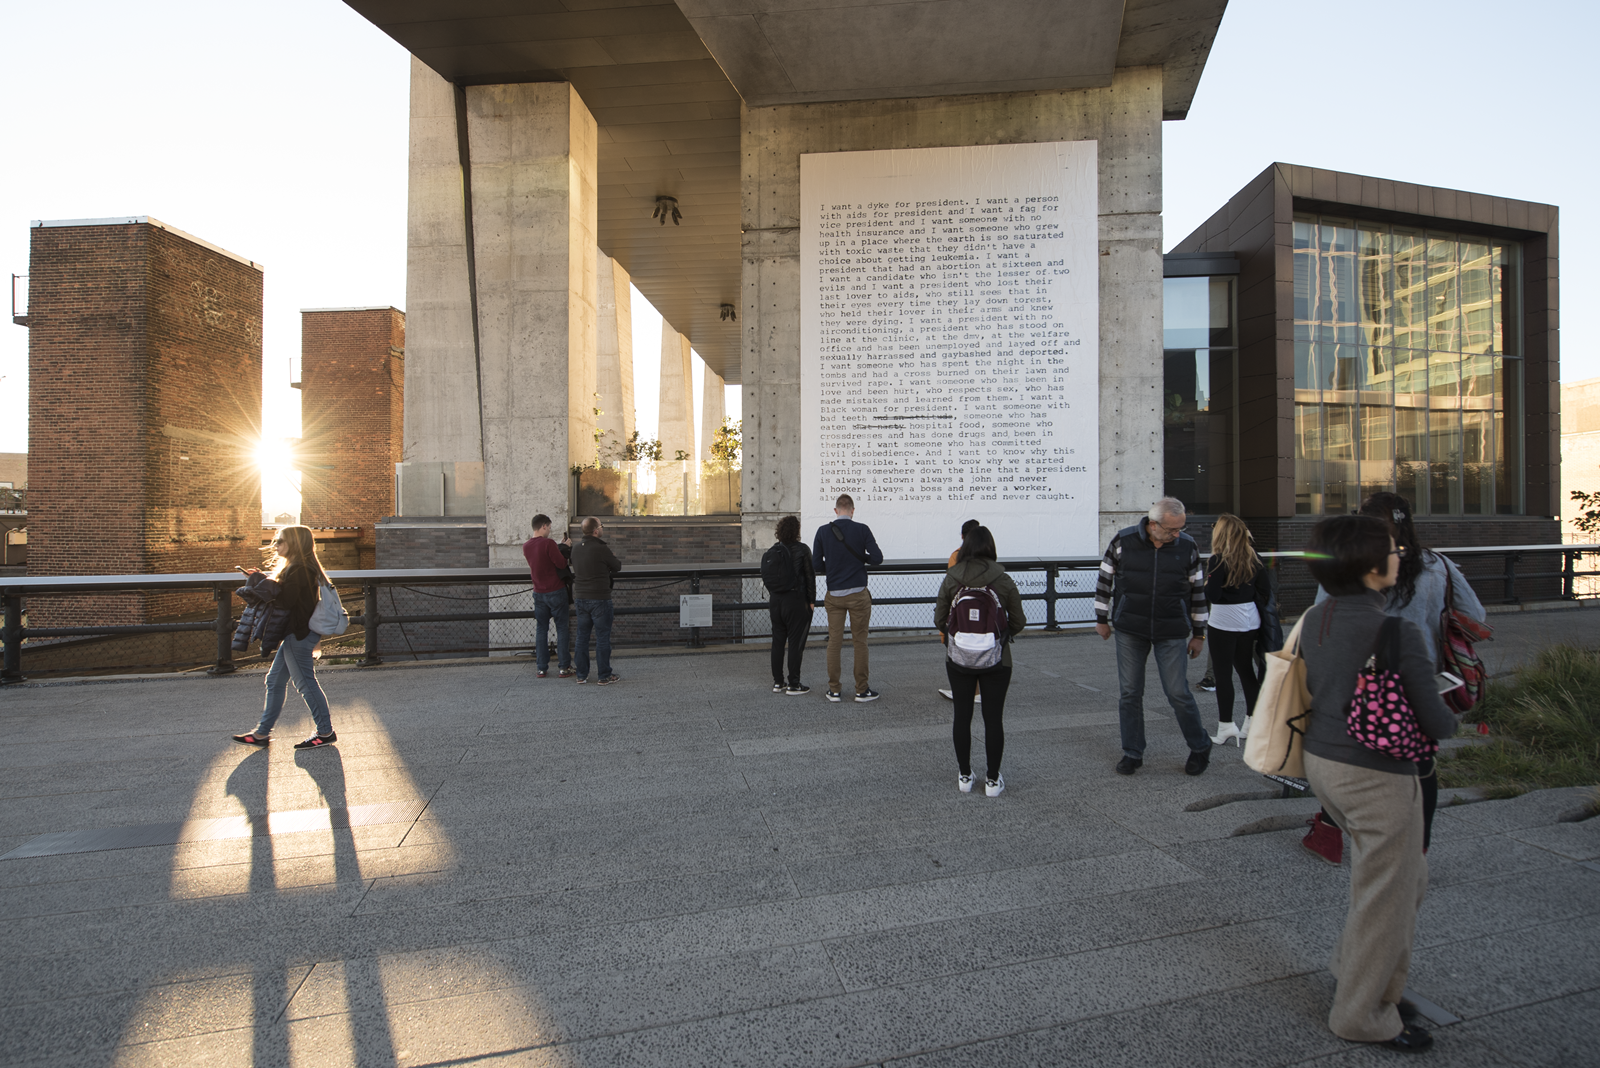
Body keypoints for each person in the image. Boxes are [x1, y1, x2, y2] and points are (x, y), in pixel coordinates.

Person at [1299, 514, 1455, 1053]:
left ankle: (1360, 973)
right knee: (1386, 895)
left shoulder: (1316, 618)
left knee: (1401, 881)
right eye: (1392, 549)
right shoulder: (1394, 630)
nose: (1400, 555)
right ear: (1370, 567)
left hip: (1323, 763)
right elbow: (1436, 722)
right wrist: (1453, 709)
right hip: (1377, 773)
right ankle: (1362, 1014)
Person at [1304, 492, 1488, 863]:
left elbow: (1324, 615)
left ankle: (1329, 834)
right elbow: (1475, 614)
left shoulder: (1346, 565)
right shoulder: (1439, 565)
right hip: (1421, 679)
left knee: (1347, 756)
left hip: (1354, 681)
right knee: (1420, 765)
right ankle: (1417, 847)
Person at [1093, 497, 1213, 776]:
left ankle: (1199, 745)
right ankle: (1132, 752)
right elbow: (1104, 580)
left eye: (1180, 528)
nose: (1177, 534)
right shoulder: (1122, 541)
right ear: (1153, 524)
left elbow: (1198, 592)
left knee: (1178, 693)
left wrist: (1199, 634)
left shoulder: (1187, 546)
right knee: (1130, 693)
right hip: (1130, 629)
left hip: (1171, 630)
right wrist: (1101, 618)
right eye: (1172, 529)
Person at [935, 525, 1026, 796]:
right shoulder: (1003, 578)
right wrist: (998, 635)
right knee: (993, 718)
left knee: (962, 716)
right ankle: (992, 781)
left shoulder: (953, 577)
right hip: (997, 660)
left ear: (965, 546)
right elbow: (1019, 621)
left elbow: (939, 619)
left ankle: (964, 776)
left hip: (959, 659)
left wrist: (960, 634)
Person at [232, 525, 338, 750]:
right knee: (274, 680)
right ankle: (261, 734)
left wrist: (259, 582)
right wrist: (260, 578)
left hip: (298, 634)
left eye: (280, 541)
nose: (275, 545)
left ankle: (325, 732)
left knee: (306, 683)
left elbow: (285, 601)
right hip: (298, 634)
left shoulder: (300, 569)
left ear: (295, 544)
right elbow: (284, 594)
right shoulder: (299, 567)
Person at [812, 493, 884, 702]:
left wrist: (833, 568)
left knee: (834, 641)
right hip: (858, 594)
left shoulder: (823, 531)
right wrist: (859, 562)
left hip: (834, 594)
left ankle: (834, 690)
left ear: (836, 510)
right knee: (860, 641)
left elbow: (817, 564)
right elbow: (877, 559)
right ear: (852, 510)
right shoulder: (862, 529)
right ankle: (862, 690)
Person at [1205, 514, 1270, 746]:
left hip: (1223, 620)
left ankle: (1226, 727)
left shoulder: (1218, 560)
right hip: (1249, 619)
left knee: (1223, 675)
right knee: (1246, 671)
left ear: (1221, 534)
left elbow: (1212, 595)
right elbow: (1265, 590)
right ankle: (1251, 722)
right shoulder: (1254, 557)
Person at [570, 516, 623, 685]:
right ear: (595, 530)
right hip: (600, 598)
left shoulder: (576, 549)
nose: (602, 528)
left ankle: (581, 675)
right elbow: (617, 566)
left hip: (581, 598)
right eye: (601, 526)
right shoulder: (601, 549)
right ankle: (604, 675)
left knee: (582, 637)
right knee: (602, 638)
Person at [767, 515, 816, 695]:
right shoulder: (802, 550)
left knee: (778, 642)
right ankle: (794, 684)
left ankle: (778, 682)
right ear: (797, 531)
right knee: (795, 643)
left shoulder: (773, 550)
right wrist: (812, 601)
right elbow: (810, 577)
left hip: (775, 601)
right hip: (795, 601)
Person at [523, 513, 574, 679]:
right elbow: (561, 563)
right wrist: (564, 547)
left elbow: (542, 558)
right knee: (562, 629)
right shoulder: (549, 543)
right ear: (543, 526)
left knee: (541, 629)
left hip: (538, 593)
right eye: (549, 528)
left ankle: (541, 668)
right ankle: (564, 667)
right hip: (556, 591)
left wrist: (557, 547)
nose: (549, 531)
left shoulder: (526, 546)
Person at [939, 518, 983, 703]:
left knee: (958, 649)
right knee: (980, 648)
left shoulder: (956, 556)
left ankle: (964, 691)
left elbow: (951, 586)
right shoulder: (986, 557)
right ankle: (979, 691)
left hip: (961, 611)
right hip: (982, 610)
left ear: (962, 536)